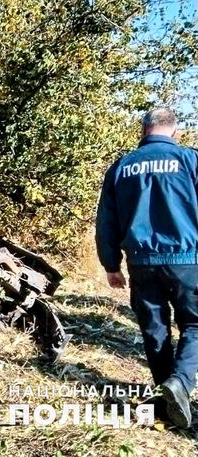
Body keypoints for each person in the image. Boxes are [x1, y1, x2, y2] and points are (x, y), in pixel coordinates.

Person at [96, 107, 197, 428]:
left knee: (155, 331)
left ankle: (166, 395)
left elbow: (106, 222)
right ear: (175, 131)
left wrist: (111, 264)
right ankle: (179, 382)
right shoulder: (191, 161)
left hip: (140, 263)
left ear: (143, 130)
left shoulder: (122, 167)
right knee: (195, 325)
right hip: (188, 260)